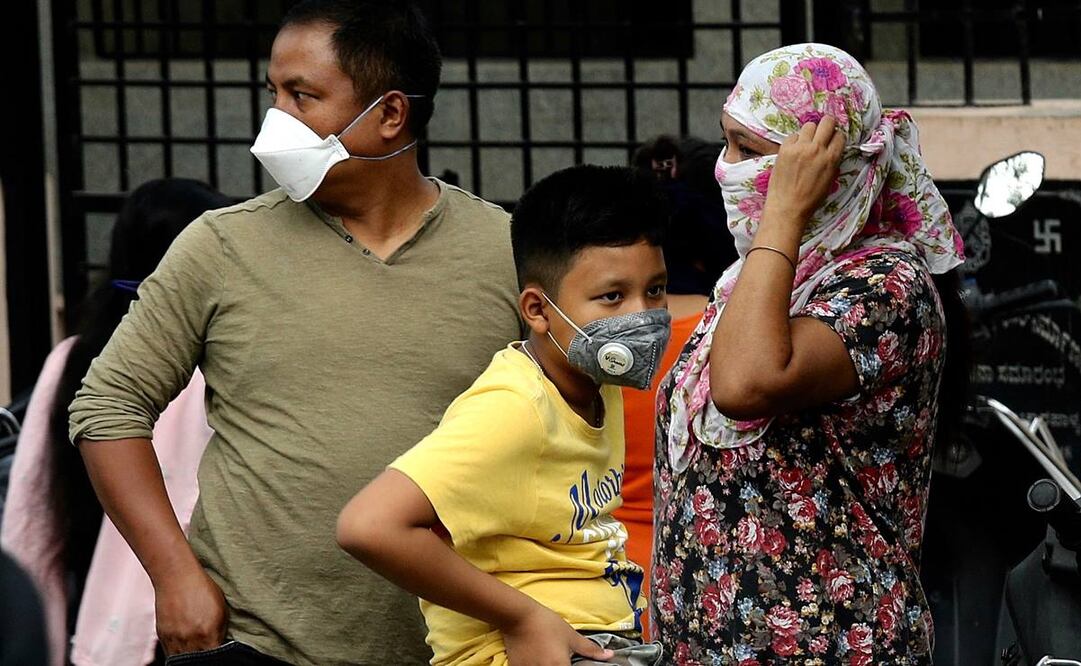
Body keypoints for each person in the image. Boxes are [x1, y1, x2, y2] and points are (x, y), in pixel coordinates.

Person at [68, 2, 521, 664]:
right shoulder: (220, 245)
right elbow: (107, 407)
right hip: (254, 644)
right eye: (273, 93)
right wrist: (174, 578)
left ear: (390, 114)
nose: (276, 120)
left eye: (302, 96)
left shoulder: (506, 251)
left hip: (460, 645)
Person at [652, 43, 967, 663]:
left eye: (752, 151)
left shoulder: (885, 287)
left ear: (828, 170)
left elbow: (745, 385)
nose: (725, 168)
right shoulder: (764, 277)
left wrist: (784, 212)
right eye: (726, 142)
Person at [336, 165, 669, 666]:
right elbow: (368, 525)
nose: (641, 316)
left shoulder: (593, 382)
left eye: (656, 291)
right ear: (538, 310)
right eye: (612, 297)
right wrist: (525, 619)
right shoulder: (516, 408)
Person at [1, 178, 227, 666]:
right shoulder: (194, 367)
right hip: (171, 599)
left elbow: (34, 502)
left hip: (87, 592)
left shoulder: (72, 355)